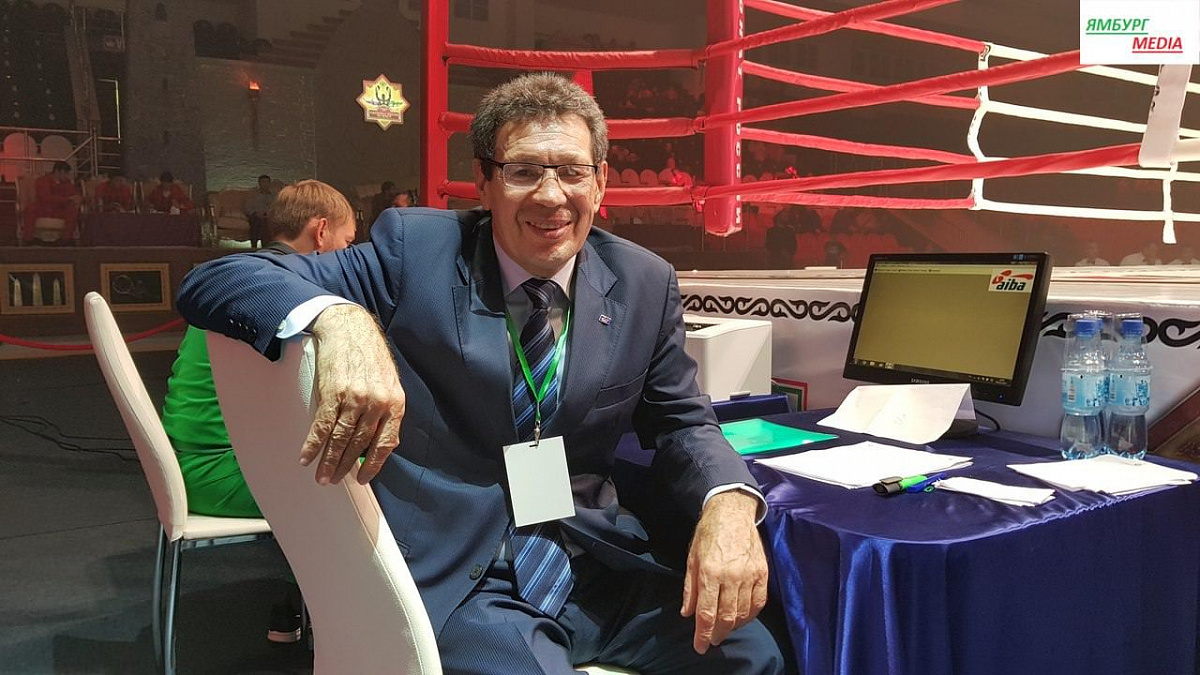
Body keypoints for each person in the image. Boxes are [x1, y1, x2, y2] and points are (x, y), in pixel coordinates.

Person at [178, 73, 783, 675]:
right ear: (485, 182)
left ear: (600, 182)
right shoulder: (416, 251)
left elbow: (683, 423)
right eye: (524, 171)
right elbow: (217, 279)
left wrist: (729, 501)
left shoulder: (644, 281)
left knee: (752, 655)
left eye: (572, 171)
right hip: (460, 570)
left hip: (586, 557)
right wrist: (341, 320)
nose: (551, 195)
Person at [163, 179, 356, 642]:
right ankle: (347, 620)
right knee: (365, 473)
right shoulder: (290, 296)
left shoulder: (243, 280)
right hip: (220, 471)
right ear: (322, 232)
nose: (351, 257)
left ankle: (301, 603)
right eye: (349, 244)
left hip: (192, 462)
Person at [21, 161, 80, 244]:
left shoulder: (67, 183)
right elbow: (46, 198)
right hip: (43, 208)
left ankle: (66, 240)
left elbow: (73, 195)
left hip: (59, 209)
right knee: (30, 210)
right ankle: (28, 240)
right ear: (57, 171)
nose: (67, 176)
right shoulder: (42, 180)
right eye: (65, 173)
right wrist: (67, 199)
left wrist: (77, 198)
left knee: (72, 211)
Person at [243, 174, 276, 249]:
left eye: (267, 182)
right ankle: (254, 247)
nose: (265, 184)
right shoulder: (253, 195)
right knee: (256, 222)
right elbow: (247, 207)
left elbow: (277, 207)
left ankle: (266, 247)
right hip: (256, 215)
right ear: (259, 183)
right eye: (263, 182)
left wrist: (270, 214)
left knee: (266, 222)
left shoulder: (274, 196)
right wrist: (255, 213)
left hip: (269, 216)